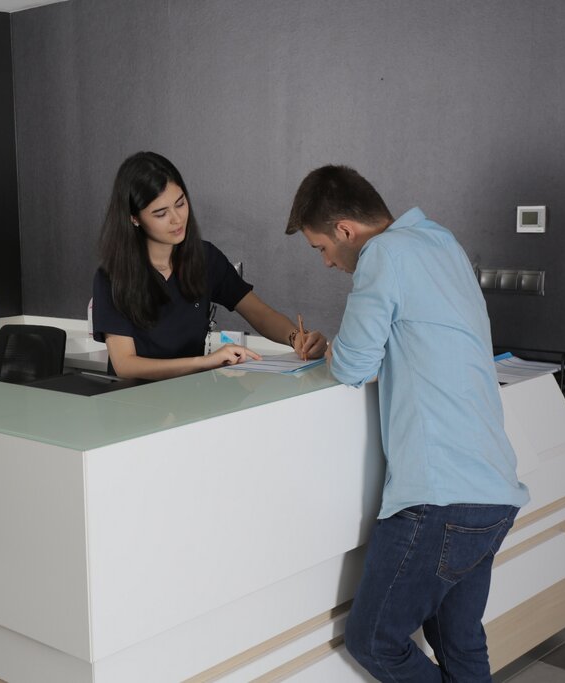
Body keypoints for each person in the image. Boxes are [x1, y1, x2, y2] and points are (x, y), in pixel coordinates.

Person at [285, 165, 529, 682]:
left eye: (321, 248)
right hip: (493, 491)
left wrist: (330, 350)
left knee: (374, 640)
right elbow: (408, 346)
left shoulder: (383, 255)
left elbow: (352, 367)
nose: (326, 262)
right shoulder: (440, 241)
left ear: (345, 230)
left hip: (438, 499)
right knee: (460, 644)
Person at [93, 151, 326, 380]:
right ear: (134, 218)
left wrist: (297, 337)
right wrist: (205, 362)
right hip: (132, 399)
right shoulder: (112, 277)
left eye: (180, 203)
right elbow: (125, 365)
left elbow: (260, 313)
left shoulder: (205, 258)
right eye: (161, 213)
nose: (177, 219)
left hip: (190, 395)